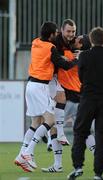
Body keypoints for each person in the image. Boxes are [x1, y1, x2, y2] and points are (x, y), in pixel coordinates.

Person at [14, 21, 78, 172]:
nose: (57, 35)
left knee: (36, 121)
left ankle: (20, 155)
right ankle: (28, 152)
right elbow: (65, 65)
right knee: (50, 121)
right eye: (55, 33)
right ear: (51, 35)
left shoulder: (35, 42)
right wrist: (76, 59)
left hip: (30, 85)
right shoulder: (51, 48)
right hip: (40, 87)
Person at [67, 27, 103, 180]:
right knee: (102, 136)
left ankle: (77, 166)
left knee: (80, 132)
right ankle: (99, 173)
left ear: (90, 40)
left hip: (88, 100)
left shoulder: (84, 57)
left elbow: (81, 77)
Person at [41, 24, 95, 173]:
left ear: (81, 44)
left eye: (76, 37)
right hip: (76, 95)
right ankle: (96, 153)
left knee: (52, 124)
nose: (73, 37)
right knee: (83, 129)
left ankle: (56, 144)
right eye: (70, 32)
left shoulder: (76, 55)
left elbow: (62, 63)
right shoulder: (79, 54)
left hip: (70, 96)